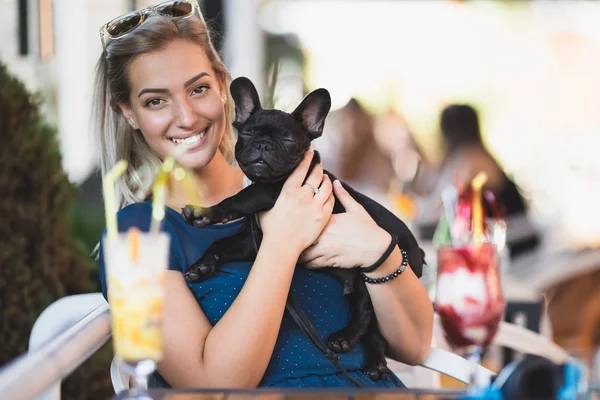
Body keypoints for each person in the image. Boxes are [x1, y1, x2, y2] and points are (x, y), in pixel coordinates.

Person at [94, 0, 433, 389]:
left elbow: (415, 347)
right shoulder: (137, 236)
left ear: (223, 88)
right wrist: (282, 241)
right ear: (129, 113)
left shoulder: (309, 191)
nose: (186, 117)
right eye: (156, 100)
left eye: (198, 89)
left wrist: (379, 252)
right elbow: (211, 387)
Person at [402, 104, 539, 256]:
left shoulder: (470, 159)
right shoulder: (478, 156)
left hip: (512, 243)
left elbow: (438, 207)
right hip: (513, 237)